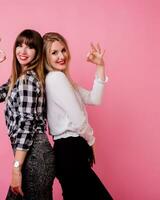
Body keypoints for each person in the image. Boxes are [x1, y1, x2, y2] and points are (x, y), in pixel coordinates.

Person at [0, 29, 55, 200]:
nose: (22, 51)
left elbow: (26, 125)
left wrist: (16, 168)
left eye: (29, 47)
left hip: (34, 155)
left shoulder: (28, 80)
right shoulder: (18, 78)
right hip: (30, 154)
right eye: (19, 45)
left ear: (38, 53)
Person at [42, 32, 113, 199]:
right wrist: (92, 141)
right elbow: (78, 118)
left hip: (69, 151)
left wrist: (100, 67)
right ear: (45, 57)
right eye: (54, 53)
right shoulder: (55, 78)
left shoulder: (64, 80)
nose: (61, 56)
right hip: (70, 150)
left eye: (63, 50)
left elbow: (94, 98)